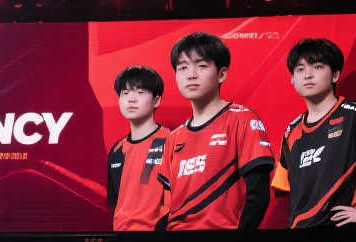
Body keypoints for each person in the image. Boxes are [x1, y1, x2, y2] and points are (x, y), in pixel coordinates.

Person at [271, 38, 356, 228]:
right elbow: (287, 188)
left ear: (335, 75)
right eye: (300, 69)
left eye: (317, 67)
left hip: (341, 231)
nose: (308, 75)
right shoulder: (291, 130)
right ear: (292, 79)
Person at [157, 32, 274, 230]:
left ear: (222, 74)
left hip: (222, 239)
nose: (191, 74)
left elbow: (258, 195)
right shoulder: (174, 137)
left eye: (201, 66)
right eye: (183, 67)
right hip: (175, 241)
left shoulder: (242, 119)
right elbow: (165, 208)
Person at [107, 66, 170, 231]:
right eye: (125, 93)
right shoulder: (116, 150)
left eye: (140, 92)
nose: (131, 99)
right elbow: (114, 203)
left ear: (156, 100)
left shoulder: (170, 141)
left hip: (157, 237)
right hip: (120, 237)